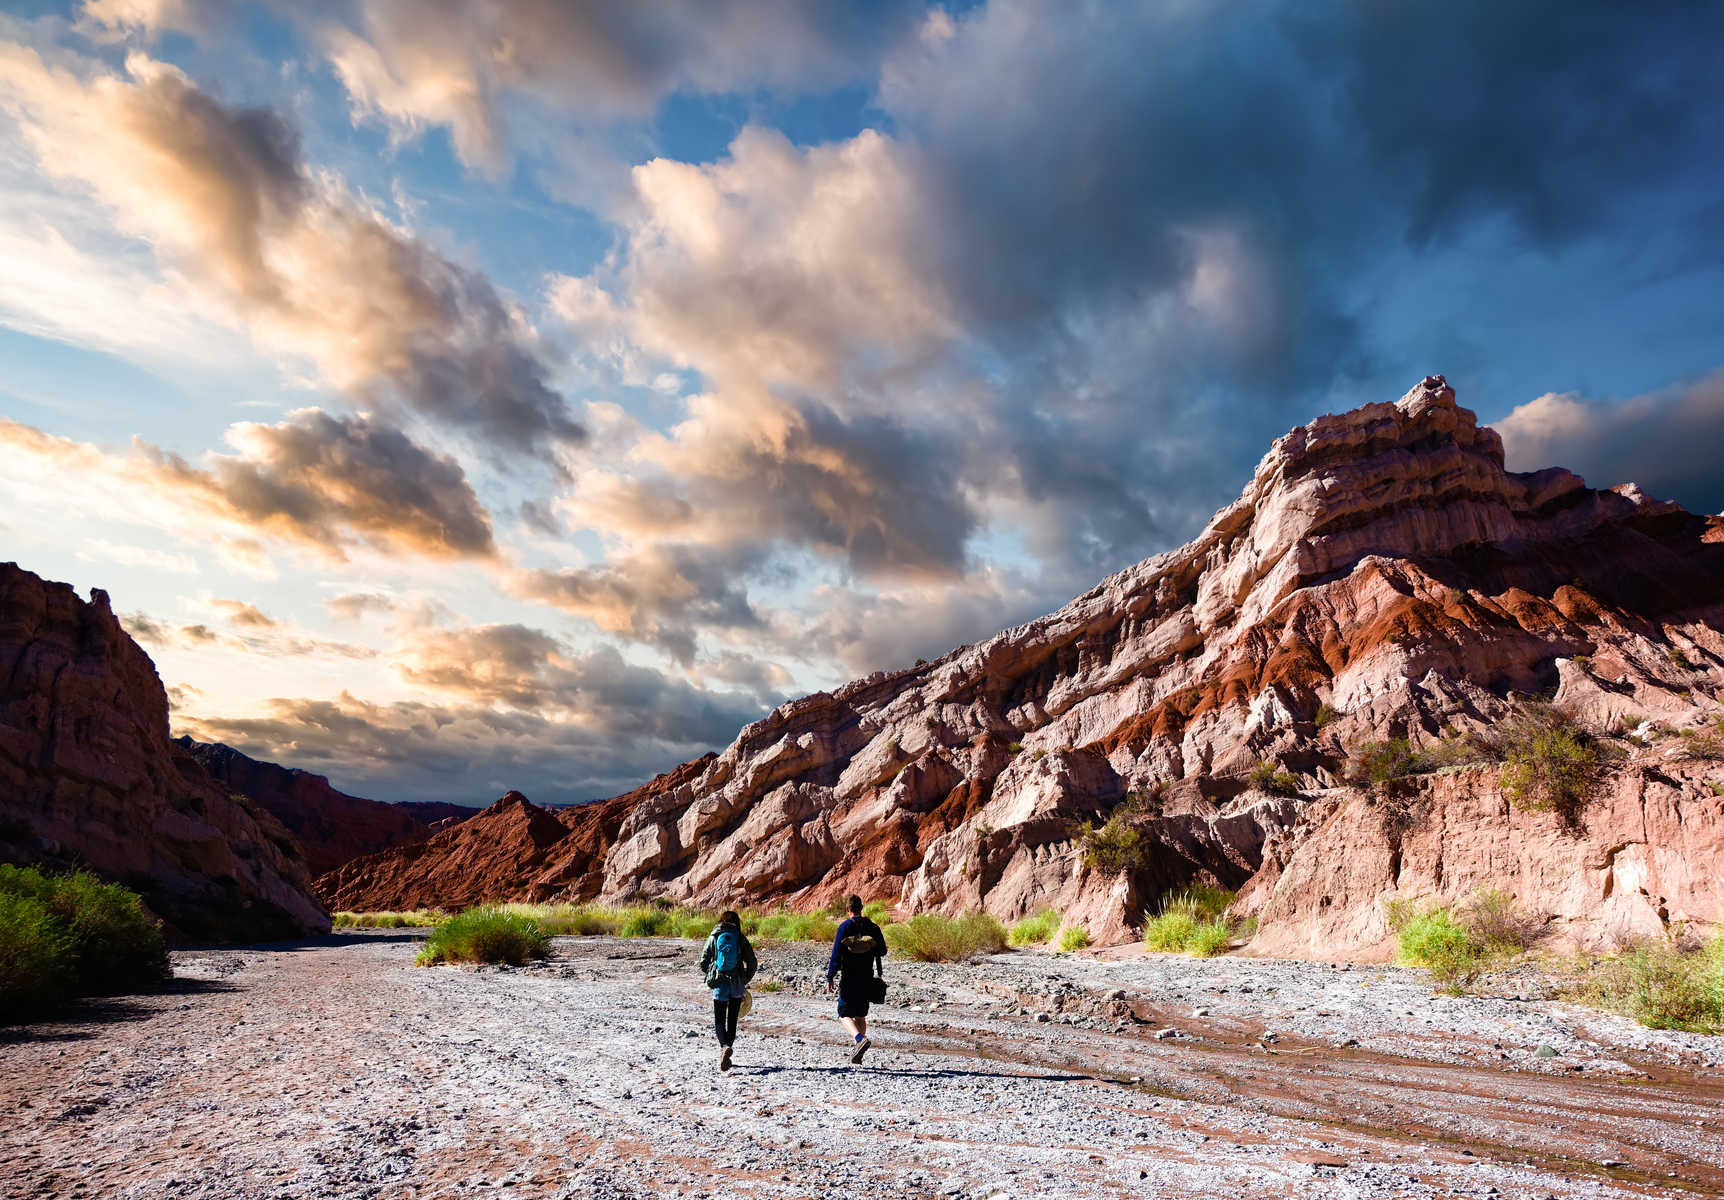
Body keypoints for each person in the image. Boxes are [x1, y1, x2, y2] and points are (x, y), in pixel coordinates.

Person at [825, 895, 887, 1063]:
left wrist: (830, 976)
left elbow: (836, 955)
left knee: (843, 1013)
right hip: (866, 976)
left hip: (849, 976)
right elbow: (882, 951)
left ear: (848, 909)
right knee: (860, 1015)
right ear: (862, 907)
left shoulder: (844, 927)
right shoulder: (873, 927)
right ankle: (857, 1051)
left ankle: (859, 1039)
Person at [698, 910, 758, 1072]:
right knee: (732, 1020)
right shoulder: (739, 938)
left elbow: (702, 962)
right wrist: (744, 979)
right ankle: (727, 1049)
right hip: (737, 984)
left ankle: (723, 1047)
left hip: (719, 983)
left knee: (719, 1020)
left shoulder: (714, 936)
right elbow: (752, 962)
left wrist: (712, 971)